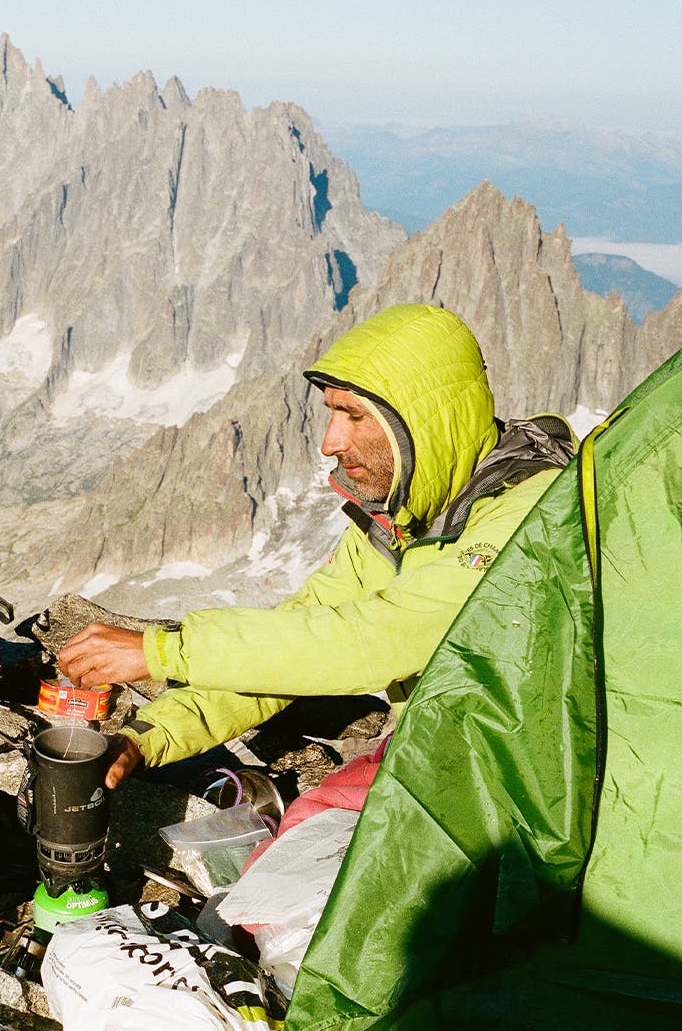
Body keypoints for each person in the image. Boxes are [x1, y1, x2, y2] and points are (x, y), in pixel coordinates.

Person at [58, 303, 576, 789]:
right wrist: (148, 738)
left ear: (418, 421)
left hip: (534, 782)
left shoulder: (529, 515)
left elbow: (378, 639)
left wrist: (163, 651)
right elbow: (301, 634)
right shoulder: (400, 515)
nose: (330, 441)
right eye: (331, 414)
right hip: (447, 755)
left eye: (353, 415)